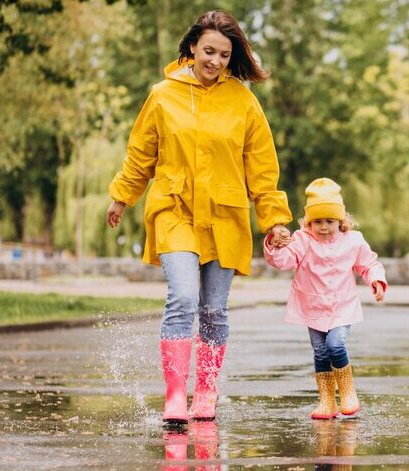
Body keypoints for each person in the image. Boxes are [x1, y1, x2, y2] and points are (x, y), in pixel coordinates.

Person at [105, 10, 292, 426]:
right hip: (174, 209)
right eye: (209, 51)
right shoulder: (162, 95)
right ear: (192, 47)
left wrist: (274, 218)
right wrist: (122, 196)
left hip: (225, 215)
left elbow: (261, 166)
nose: (216, 61)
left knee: (213, 310)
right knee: (184, 299)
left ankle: (205, 392)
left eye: (225, 55)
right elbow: (141, 153)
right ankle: (175, 396)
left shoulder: (243, 101)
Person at [263, 178, 387, 419]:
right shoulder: (302, 240)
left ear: (341, 220)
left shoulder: (353, 240)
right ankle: (327, 401)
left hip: (342, 307)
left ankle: (348, 392)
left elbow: (368, 263)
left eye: (330, 221)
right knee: (320, 352)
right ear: (308, 222)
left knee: (335, 345)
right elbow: (283, 261)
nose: (323, 227)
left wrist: (376, 280)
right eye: (317, 221)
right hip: (312, 307)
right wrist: (273, 245)